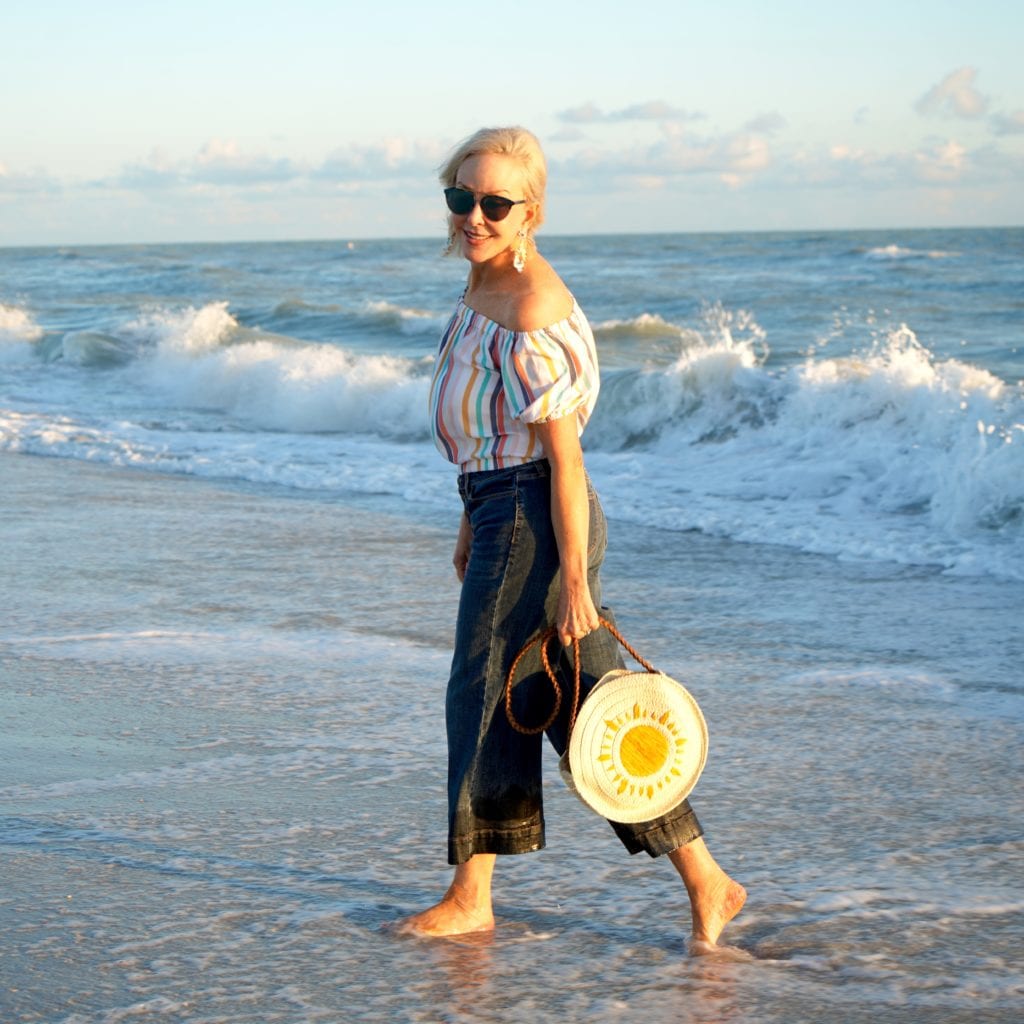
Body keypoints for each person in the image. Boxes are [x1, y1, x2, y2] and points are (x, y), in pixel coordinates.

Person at [400, 127, 745, 951]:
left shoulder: (531, 307)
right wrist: (466, 520)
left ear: (531, 212)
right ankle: (709, 879)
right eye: (462, 198)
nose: (474, 217)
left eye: (494, 204)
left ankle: (470, 894)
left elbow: (561, 460)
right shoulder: (481, 286)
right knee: (586, 710)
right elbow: (492, 430)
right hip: (497, 508)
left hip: (533, 518)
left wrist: (576, 583)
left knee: (481, 691)